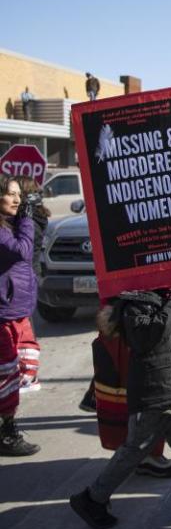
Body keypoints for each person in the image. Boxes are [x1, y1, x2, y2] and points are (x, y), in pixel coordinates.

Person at [69, 285, 171, 529]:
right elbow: (148, 336)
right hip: (154, 392)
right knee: (134, 451)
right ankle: (92, 498)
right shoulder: (135, 301)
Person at [0, 175, 40, 456]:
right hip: (3, 315)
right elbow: (22, 250)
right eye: (10, 195)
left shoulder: (11, 225)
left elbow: (34, 248)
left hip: (18, 312)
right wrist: (26, 219)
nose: (17, 200)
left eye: (19, 195)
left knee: (22, 369)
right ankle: (7, 432)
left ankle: (8, 426)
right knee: (6, 374)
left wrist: (36, 216)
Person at [13, 177, 49, 393]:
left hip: (27, 275)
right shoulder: (37, 214)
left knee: (25, 326)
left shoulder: (30, 218)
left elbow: (24, 247)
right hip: (31, 273)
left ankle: (29, 373)